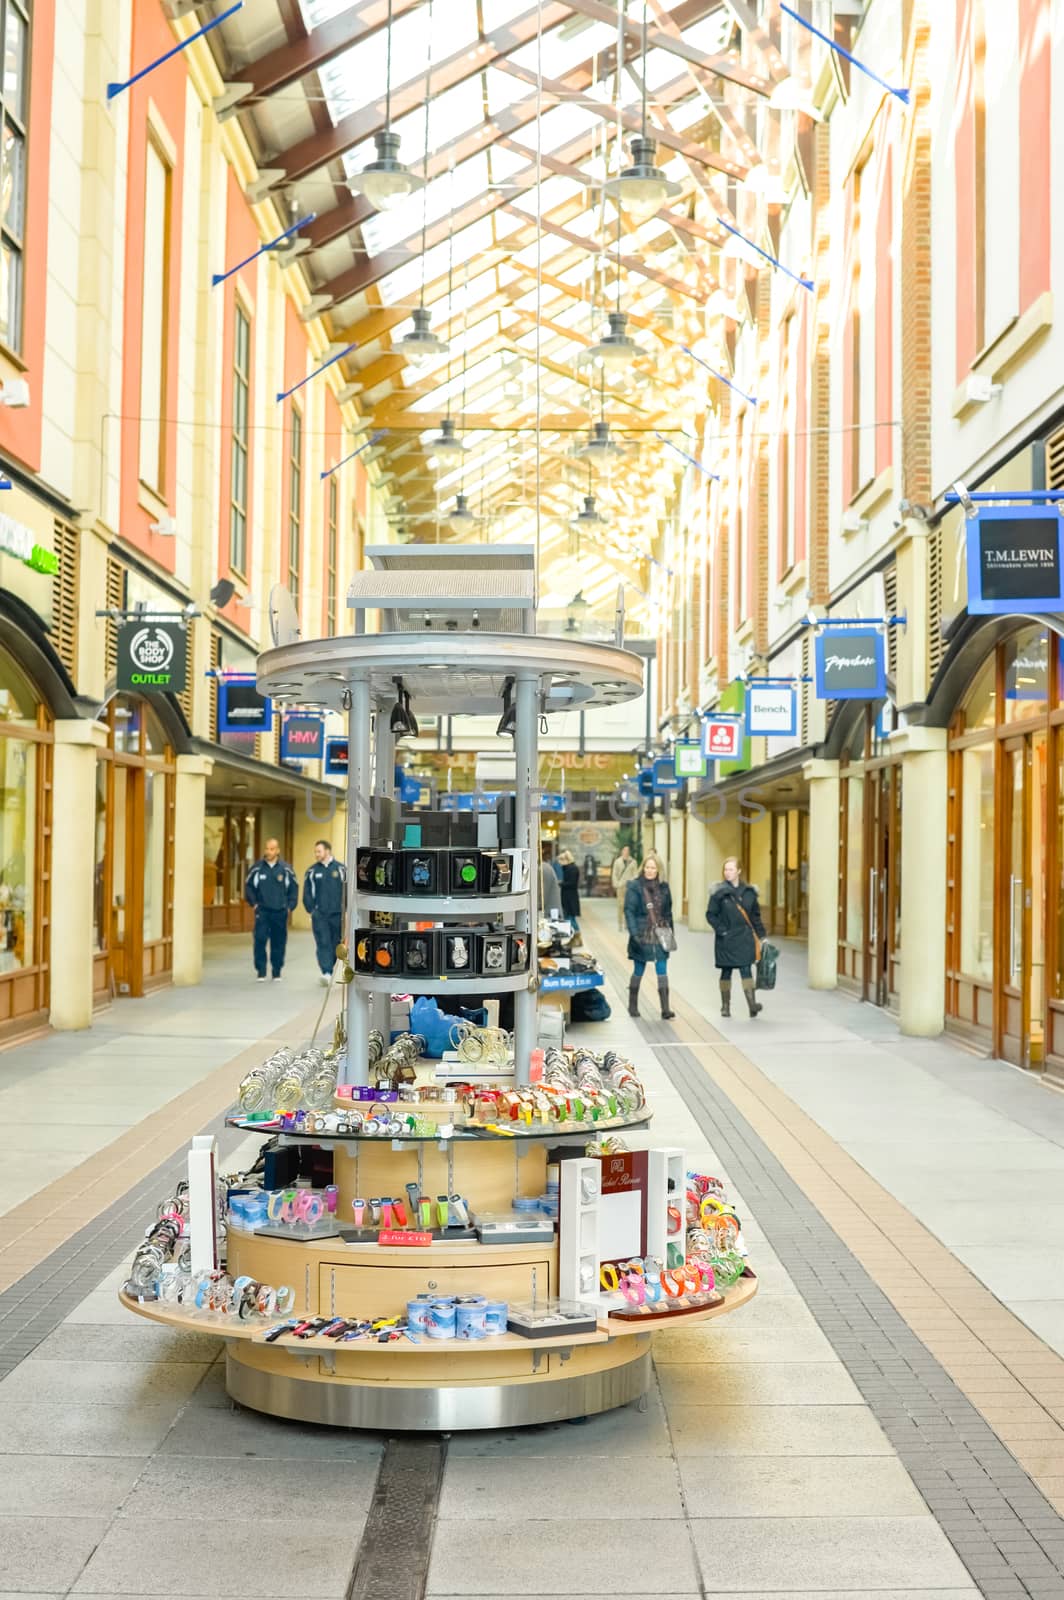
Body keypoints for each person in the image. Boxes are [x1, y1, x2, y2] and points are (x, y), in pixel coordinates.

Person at [706, 856, 766, 1019]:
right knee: (726, 971)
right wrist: (721, 930)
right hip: (725, 938)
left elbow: (755, 917)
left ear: (739, 871)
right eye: (725, 869)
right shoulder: (718, 892)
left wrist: (762, 937)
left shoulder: (749, 893)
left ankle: (752, 1005)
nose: (727, 872)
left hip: (744, 938)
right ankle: (725, 1006)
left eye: (731, 869)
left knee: (746, 969)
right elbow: (710, 915)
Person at [624, 855, 676, 1020]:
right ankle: (633, 1006)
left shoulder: (664, 888)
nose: (650, 870)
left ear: (658, 870)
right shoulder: (634, 886)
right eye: (647, 867)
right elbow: (629, 911)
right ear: (643, 868)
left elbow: (668, 912)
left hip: (661, 932)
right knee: (639, 968)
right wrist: (634, 933)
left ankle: (665, 1008)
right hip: (641, 933)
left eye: (653, 868)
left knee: (662, 969)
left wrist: (671, 933)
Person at [244, 837, 298, 982]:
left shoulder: (286, 869)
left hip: (280, 911)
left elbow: (293, 888)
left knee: (278, 942)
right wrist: (254, 903)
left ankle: (276, 971)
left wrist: (290, 906)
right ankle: (261, 971)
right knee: (260, 940)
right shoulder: (257, 868)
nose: (269, 851)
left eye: (272, 849)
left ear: (278, 850)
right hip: (262, 911)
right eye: (267, 848)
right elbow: (248, 886)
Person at [303, 839, 346, 986]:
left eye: (318, 851)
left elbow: (346, 892)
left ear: (327, 851)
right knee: (323, 943)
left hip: (337, 915)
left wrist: (345, 910)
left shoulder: (341, 869)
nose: (316, 854)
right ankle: (326, 972)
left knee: (335, 943)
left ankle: (331, 969)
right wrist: (312, 910)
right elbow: (307, 893)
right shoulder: (312, 871)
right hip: (320, 915)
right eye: (315, 852)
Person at [610, 844, 639, 929]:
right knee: (620, 905)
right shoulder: (617, 861)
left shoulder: (633, 862)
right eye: (624, 850)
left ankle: (627, 923)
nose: (626, 852)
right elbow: (614, 874)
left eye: (627, 851)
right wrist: (616, 883)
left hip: (629, 887)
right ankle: (620, 923)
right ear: (622, 852)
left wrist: (633, 882)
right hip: (620, 886)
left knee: (629, 905)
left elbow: (635, 874)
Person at [558, 850, 581, 928]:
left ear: (566, 860)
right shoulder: (569, 868)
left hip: (570, 897)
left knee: (570, 918)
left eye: (561, 860)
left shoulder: (572, 869)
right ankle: (575, 935)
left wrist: (561, 883)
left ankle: (577, 934)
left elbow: (572, 883)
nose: (559, 863)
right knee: (569, 918)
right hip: (568, 897)